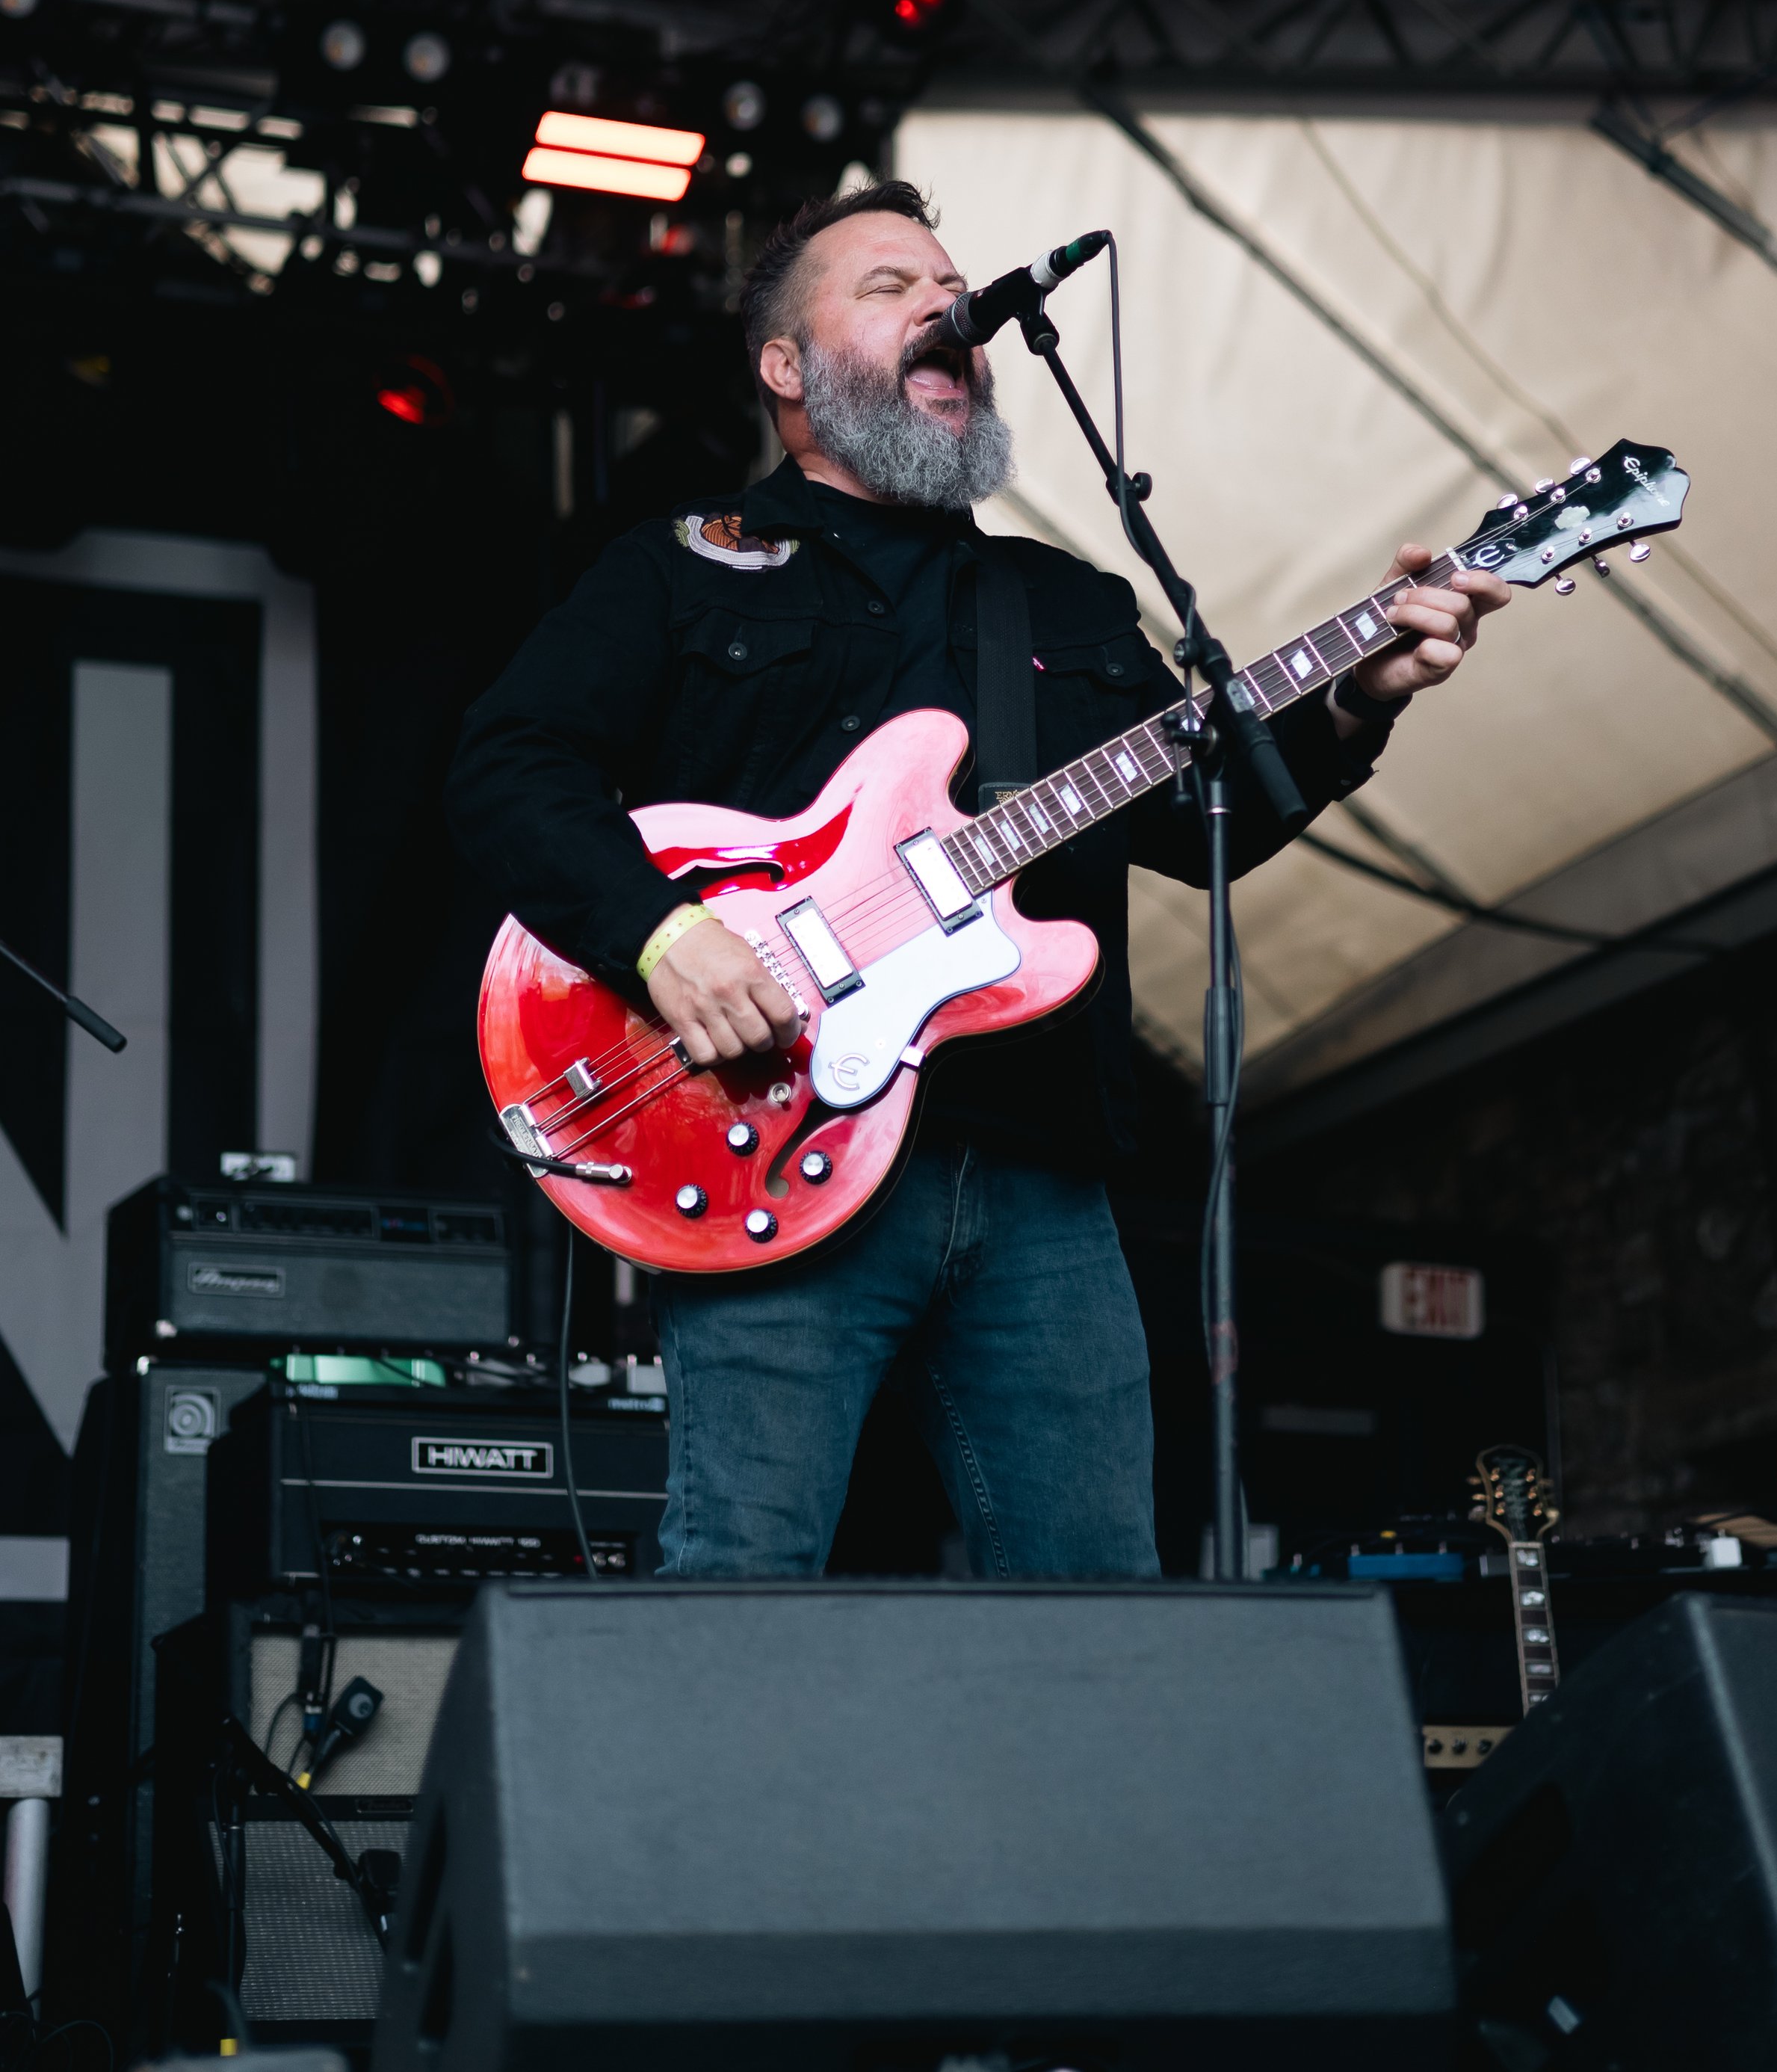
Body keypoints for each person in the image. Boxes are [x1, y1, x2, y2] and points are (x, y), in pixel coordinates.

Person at [445, 180, 1506, 1577]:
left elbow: (1215, 818)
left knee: (1099, 1613)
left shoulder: (1060, 604)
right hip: (773, 1154)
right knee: (739, 1590)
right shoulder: (683, 573)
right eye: (889, 285)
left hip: (1039, 1181)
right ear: (787, 368)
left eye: (950, 287)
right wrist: (662, 938)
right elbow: (510, 765)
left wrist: (1357, 697)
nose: (946, 306)